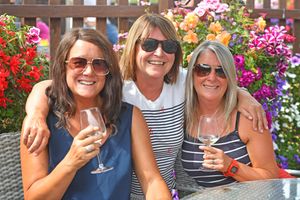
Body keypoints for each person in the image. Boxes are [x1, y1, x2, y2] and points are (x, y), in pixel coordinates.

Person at [22, 13, 268, 199]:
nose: (159, 53)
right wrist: (34, 112)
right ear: (133, 48)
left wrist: (242, 94)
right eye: (149, 44)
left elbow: (214, 81)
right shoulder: (120, 89)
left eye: (168, 46)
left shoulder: (178, 85)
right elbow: (50, 86)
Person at [20, 28, 171, 200]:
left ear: (109, 72)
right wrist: (71, 162)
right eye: (79, 63)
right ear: (63, 67)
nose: (89, 71)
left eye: (99, 64)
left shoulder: (129, 117)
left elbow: (151, 181)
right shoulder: (39, 124)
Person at [181, 40, 278, 188]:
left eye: (221, 71)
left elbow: (271, 177)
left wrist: (230, 166)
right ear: (192, 73)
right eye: (203, 69)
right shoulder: (181, 114)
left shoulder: (248, 117)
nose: (212, 77)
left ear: (230, 77)